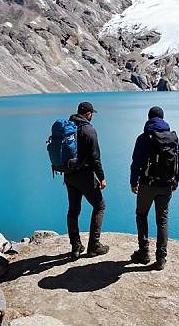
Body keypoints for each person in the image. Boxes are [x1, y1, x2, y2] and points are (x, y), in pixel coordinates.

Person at [130, 106, 179, 270]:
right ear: (163, 118)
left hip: (147, 184)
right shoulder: (173, 137)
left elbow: (136, 163)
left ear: (148, 118)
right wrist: (175, 181)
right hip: (166, 185)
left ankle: (144, 252)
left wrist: (134, 182)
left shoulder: (143, 138)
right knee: (162, 220)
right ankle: (161, 258)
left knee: (141, 215)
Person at [65, 101, 109, 259]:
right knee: (100, 205)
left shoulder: (69, 126)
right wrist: (102, 177)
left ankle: (75, 247)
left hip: (69, 175)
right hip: (85, 176)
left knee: (73, 210)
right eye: (92, 114)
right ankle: (94, 246)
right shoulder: (88, 130)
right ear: (88, 114)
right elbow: (95, 158)